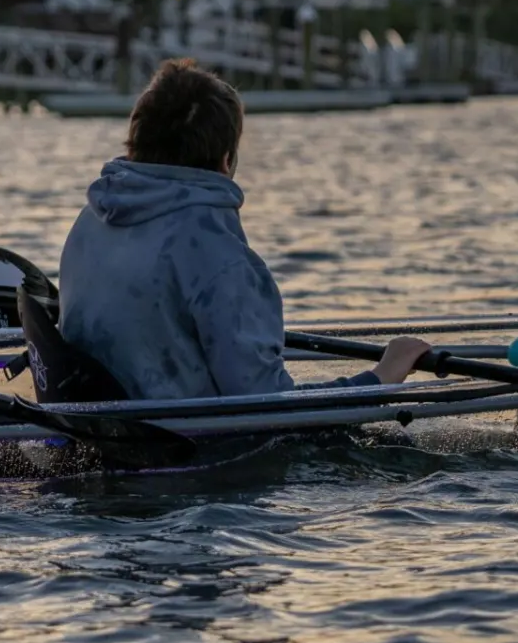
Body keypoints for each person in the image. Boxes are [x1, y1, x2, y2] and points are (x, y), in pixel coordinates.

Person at [59, 59, 432, 401]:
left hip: (99, 430)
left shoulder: (90, 220)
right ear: (225, 161)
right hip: (185, 454)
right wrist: (382, 376)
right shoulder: (217, 255)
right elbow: (269, 407)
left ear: (137, 142)